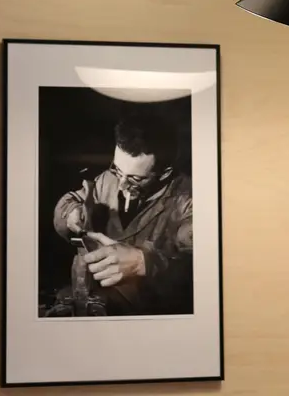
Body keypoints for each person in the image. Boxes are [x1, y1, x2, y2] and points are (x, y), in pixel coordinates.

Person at [51, 109, 193, 316]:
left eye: (136, 179)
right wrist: (71, 212)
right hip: (96, 299)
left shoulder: (190, 201)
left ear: (165, 173)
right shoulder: (108, 180)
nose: (121, 185)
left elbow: (199, 265)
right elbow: (73, 199)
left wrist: (144, 262)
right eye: (118, 170)